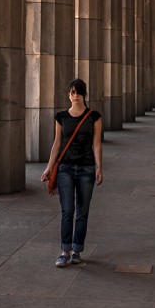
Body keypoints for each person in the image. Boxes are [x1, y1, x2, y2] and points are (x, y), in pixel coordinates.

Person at [40, 78, 103, 267]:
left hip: (87, 169)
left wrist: (100, 167)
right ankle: (65, 250)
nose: (76, 96)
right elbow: (57, 144)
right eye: (73, 93)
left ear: (84, 95)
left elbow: (96, 144)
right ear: (69, 95)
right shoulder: (61, 117)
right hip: (65, 169)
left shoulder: (94, 117)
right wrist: (49, 167)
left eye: (79, 93)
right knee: (67, 210)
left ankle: (77, 250)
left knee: (82, 212)